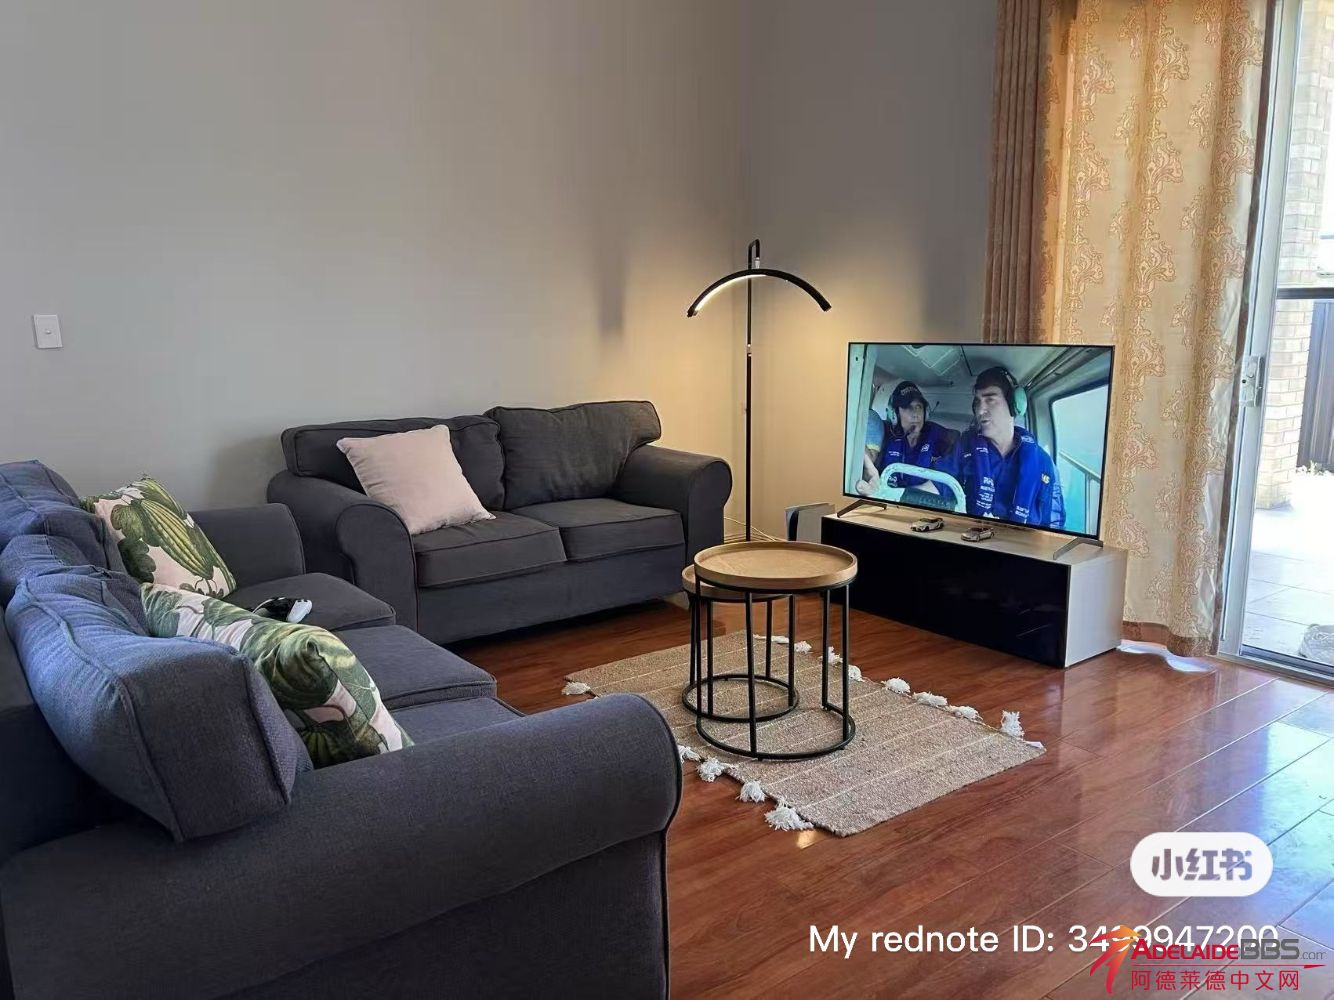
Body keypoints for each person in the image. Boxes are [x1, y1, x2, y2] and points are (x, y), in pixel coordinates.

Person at [934, 366, 1065, 528]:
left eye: (990, 399)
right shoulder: (965, 446)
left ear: (1013, 405)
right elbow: (935, 485)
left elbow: (1053, 524)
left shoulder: (1043, 463)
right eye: (977, 402)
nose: (980, 410)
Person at [878, 381, 955, 488]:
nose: (915, 414)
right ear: (896, 414)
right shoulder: (885, 437)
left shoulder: (939, 436)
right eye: (907, 407)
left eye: (918, 407)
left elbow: (948, 480)